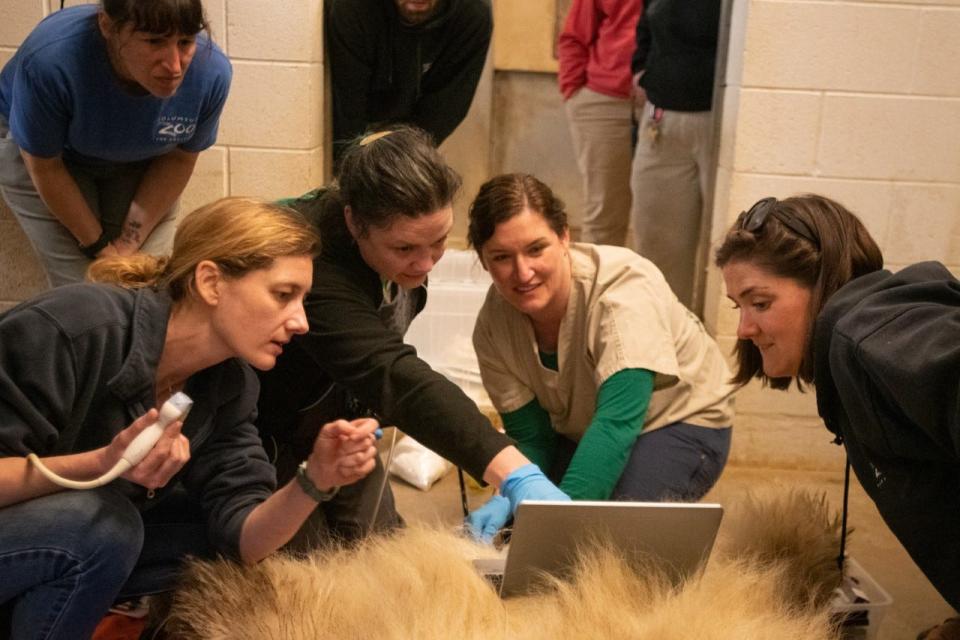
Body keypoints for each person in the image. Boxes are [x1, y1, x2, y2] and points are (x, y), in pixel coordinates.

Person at [0, 198, 380, 640]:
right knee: (106, 525)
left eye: (303, 300)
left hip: (41, 545)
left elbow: (245, 538)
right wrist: (101, 465)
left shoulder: (228, 385)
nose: (301, 322)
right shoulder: (75, 327)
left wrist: (314, 479)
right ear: (211, 282)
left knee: (204, 541)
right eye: (283, 295)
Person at [256, 126, 567, 547]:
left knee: (386, 551)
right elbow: (393, 376)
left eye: (439, 242)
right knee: (301, 570)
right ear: (353, 222)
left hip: (340, 425)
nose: (425, 263)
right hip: (265, 429)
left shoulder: (394, 244)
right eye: (404, 250)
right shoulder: (311, 264)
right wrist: (514, 472)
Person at [716, 194, 960, 634]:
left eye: (761, 303)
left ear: (822, 285)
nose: (743, 329)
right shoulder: (861, 345)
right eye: (739, 306)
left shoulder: (870, 336)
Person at [467, 173, 735, 506]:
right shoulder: (493, 326)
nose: (523, 273)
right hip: (585, 429)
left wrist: (561, 522)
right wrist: (507, 497)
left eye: (536, 249)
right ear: (483, 259)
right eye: (502, 257)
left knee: (607, 526)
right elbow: (533, 437)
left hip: (679, 422)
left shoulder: (623, 290)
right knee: (523, 508)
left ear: (564, 236)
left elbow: (616, 424)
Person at [0, 0, 232, 287]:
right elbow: (45, 168)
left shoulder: (211, 72)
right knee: (85, 289)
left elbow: (179, 159)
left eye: (185, 42)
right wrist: (98, 247)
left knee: (146, 285)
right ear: (108, 26)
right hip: (49, 158)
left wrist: (126, 245)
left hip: (142, 157)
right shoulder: (51, 60)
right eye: (154, 41)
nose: (174, 66)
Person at [629, 0, 721, 306]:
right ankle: (663, 338)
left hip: (720, 117)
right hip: (663, 117)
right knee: (658, 251)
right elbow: (646, 23)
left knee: (730, 245)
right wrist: (641, 68)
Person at [325, 0, 492, 163]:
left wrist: (405, 160)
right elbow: (348, 108)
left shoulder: (473, 13)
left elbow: (446, 107)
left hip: (415, 121)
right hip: (358, 106)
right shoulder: (351, 7)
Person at [557, 0, 642, 246]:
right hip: (606, 100)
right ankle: (598, 284)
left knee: (659, 216)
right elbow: (574, 34)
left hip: (667, 103)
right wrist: (573, 90)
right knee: (605, 211)